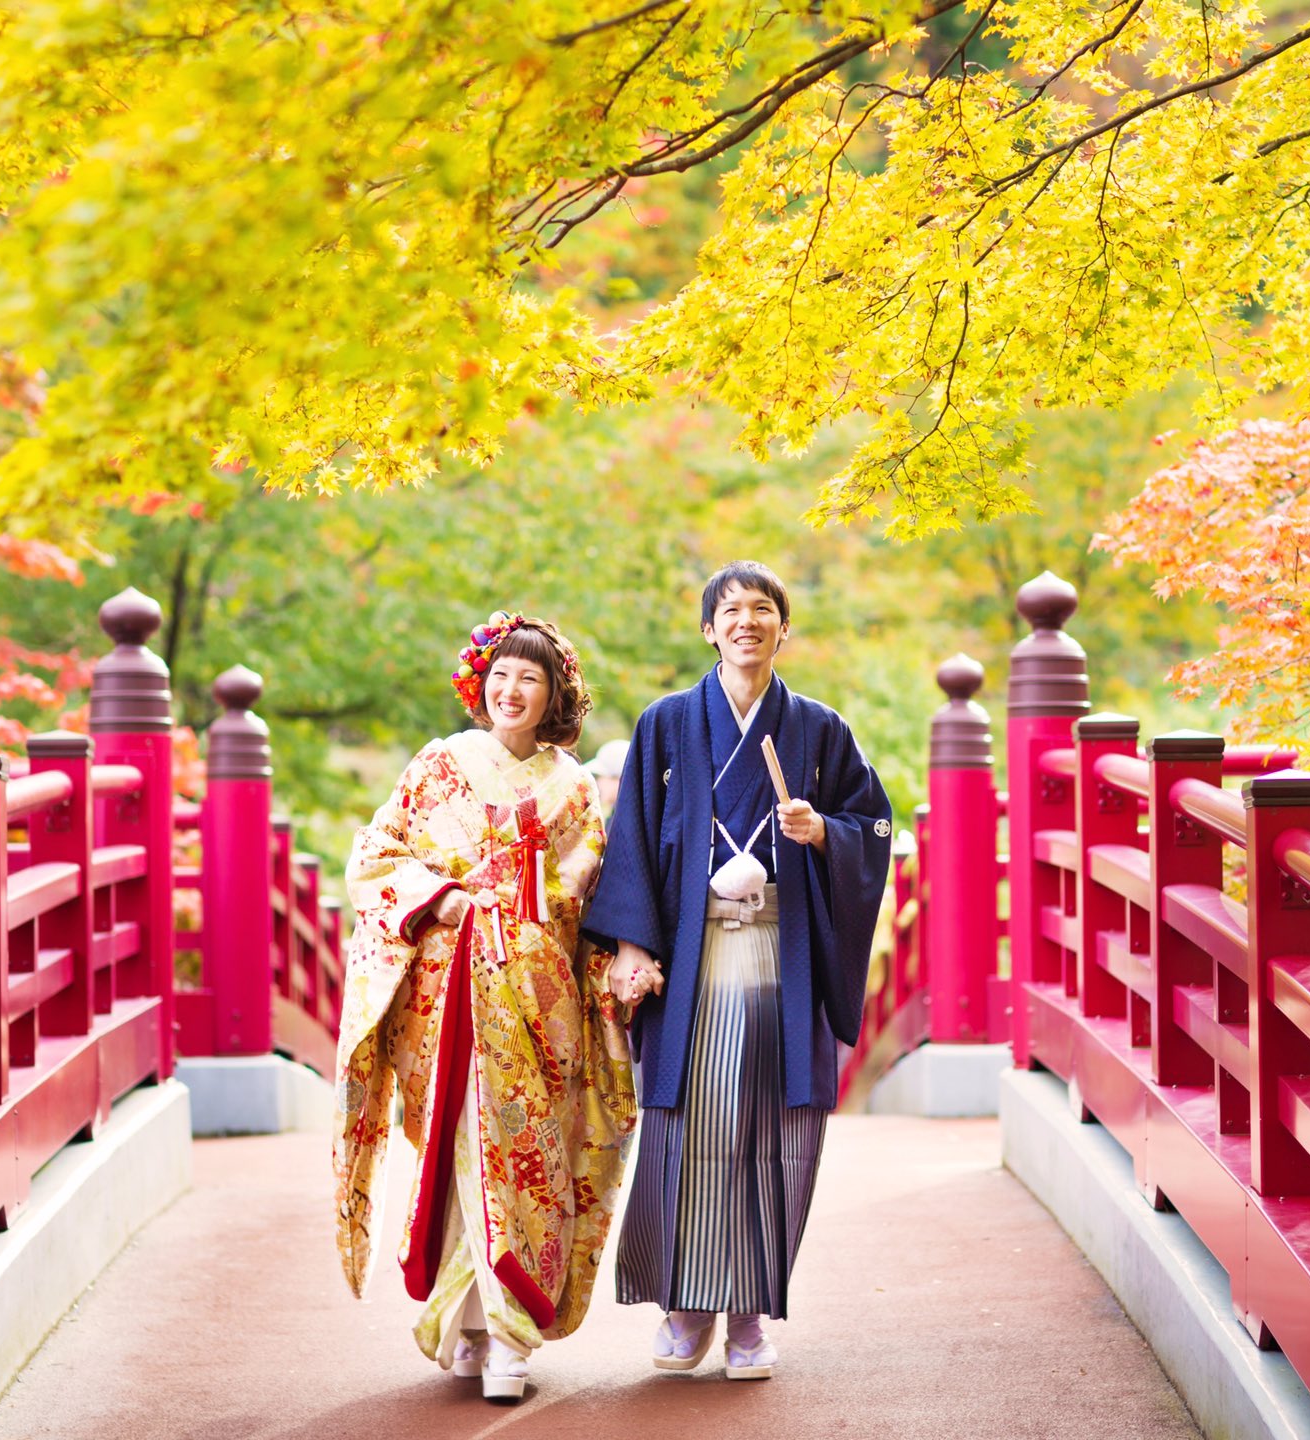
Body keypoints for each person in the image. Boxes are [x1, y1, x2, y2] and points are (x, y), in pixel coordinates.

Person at [584, 561, 893, 1380]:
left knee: (771, 1132)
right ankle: (687, 1306)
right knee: (689, 1127)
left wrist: (824, 832)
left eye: (763, 609)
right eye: (731, 610)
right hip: (692, 957)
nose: (747, 621)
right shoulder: (665, 724)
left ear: (784, 629)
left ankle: (750, 1314)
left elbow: (873, 824)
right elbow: (632, 838)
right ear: (708, 630)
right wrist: (632, 946)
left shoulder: (820, 727)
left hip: (780, 956)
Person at [332, 613, 636, 1403]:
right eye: (500, 675)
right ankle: (471, 1324)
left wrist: (598, 958)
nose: (512, 690)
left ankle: (510, 1334)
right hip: (446, 995)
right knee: (460, 1146)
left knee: (526, 1153)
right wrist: (440, 898)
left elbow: (588, 898)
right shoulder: (440, 765)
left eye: (530, 678)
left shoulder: (573, 787)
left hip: (537, 998)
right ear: (480, 684)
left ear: (555, 695)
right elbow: (377, 854)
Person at [585, 738, 630, 818]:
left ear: (619, 778)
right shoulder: (617, 814)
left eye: (601, 776)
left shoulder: (628, 817)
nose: (598, 782)